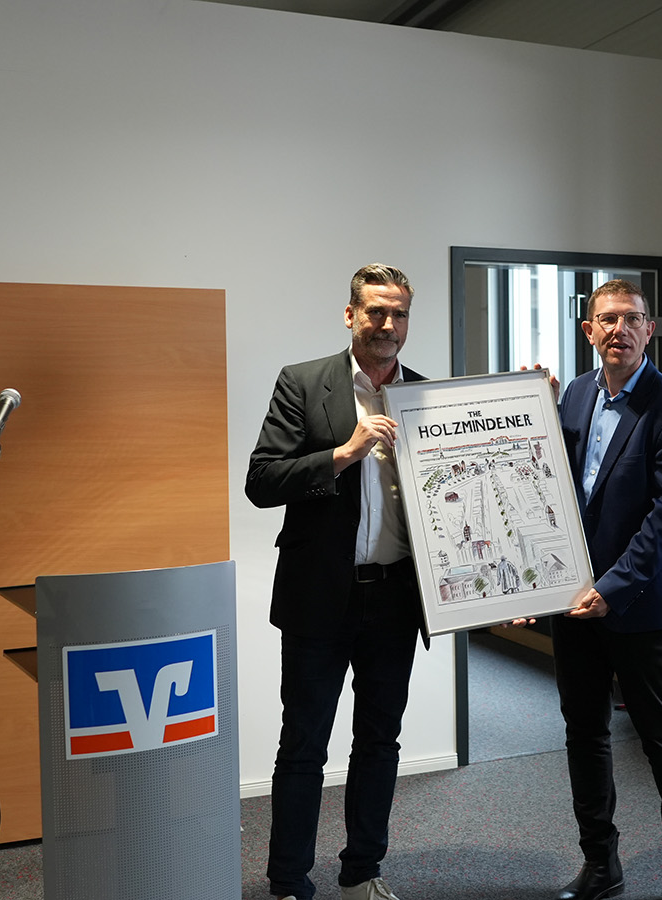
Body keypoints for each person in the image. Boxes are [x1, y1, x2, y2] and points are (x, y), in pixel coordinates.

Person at [246, 263, 427, 900]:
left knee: (379, 742)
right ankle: (288, 881)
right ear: (351, 315)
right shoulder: (303, 383)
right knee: (303, 746)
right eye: (375, 311)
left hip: (395, 598)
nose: (387, 324)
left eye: (398, 313)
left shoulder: (424, 396)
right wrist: (344, 454)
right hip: (319, 597)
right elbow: (262, 480)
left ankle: (362, 874)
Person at [550, 279, 662, 900]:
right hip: (574, 603)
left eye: (633, 319)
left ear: (651, 329)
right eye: (608, 319)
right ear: (589, 330)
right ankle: (600, 865)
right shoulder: (573, 395)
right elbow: (552, 492)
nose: (620, 330)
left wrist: (612, 588)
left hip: (638, 603)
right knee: (584, 734)